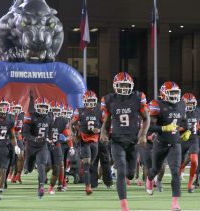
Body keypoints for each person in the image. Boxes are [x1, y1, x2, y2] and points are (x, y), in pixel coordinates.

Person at [100, 72, 150, 211]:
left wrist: (143, 135)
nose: (123, 87)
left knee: (130, 173)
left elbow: (146, 118)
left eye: (126, 85)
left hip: (133, 141)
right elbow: (107, 120)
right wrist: (103, 133)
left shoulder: (138, 97)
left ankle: (127, 175)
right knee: (121, 170)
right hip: (117, 141)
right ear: (115, 86)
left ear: (131, 86)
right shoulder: (109, 100)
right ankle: (124, 205)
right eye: (121, 85)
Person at [145, 81, 189, 211]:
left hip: (175, 144)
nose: (175, 95)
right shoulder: (157, 105)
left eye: (176, 93)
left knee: (176, 172)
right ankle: (149, 179)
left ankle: (175, 203)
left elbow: (184, 122)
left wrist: (187, 131)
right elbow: (150, 127)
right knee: (155, 169)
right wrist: (164, 128)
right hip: (160, 143)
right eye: (172, 93)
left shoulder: (181, 104)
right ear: (163, 94)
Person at [70, 90, 102, 195]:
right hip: (84, 140)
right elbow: (70, 124)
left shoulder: (99, 110)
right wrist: (73, 135)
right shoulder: (79, 111)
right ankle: (88, 186)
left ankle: (81, 171)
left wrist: (100, 129)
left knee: (91, 163)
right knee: (87, 163)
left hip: (95, 140)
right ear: (84, 100)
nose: (91, 102)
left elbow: (106, 123)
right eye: (89, 100)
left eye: (93, 100)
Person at [23, 97, 52, 198]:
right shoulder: (30, 115)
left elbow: (51, 130)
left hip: (42, 146)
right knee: (29, 168)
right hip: (31, 146)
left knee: (41, 165)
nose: (43, 109)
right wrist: (35, 139)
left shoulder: (50, 117)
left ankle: (41, 187)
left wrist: (51, 138)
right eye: (41, 107)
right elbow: (25, 133)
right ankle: (26, 166)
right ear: (36, 107)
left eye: (45, 107)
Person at [47, 100, 74, 194]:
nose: (55, 112)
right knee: (48, 165)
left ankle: (60, 184)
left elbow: (68, 135)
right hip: (47, 145)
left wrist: (71, 145)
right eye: (53, 110)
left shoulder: (63, 120)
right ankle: (43, 181)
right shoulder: (46, 119)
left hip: (59, 144)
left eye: (57, 110)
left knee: (61, 165)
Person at [179, 93, 200, 193]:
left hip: (193, 139)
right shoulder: (178, 111)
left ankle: (190, 184)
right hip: (181, 139)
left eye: (191, 103)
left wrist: (198, 128)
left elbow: (198, 123)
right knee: (178, 162)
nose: (189, 106)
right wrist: (183, 129)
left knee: (194, 160)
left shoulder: (197, 111)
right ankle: (179, 173)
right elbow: (172, 126)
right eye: (187, 104)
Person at [10, 101, 25, 184]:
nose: (16, 110)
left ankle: (17, 175)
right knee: (11, 159)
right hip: (10, 139)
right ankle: (9, 174)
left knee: (21, 156)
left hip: (18, 139)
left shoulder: (22, 115)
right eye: (15, 108)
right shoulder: (8, 116)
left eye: (18, 108)